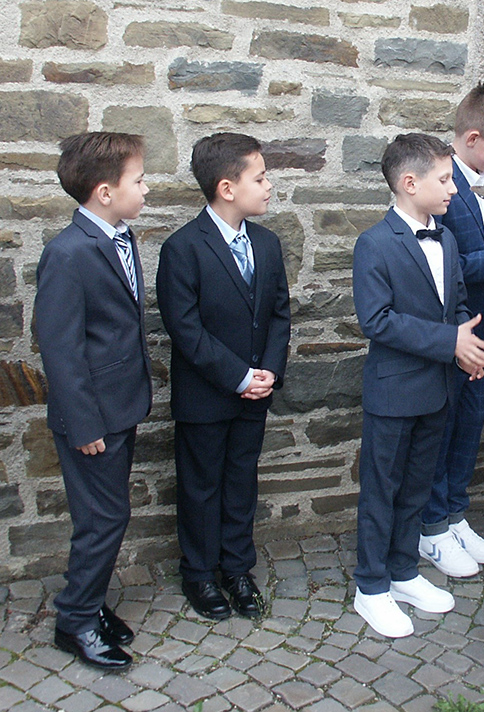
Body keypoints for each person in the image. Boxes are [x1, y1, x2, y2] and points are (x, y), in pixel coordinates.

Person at [351, 133, 484, 637]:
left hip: (439, 387)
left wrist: (470, 349)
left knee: (416, 487)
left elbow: (458, 304)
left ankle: (402, 571)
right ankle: (370, 587)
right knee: (381, 489)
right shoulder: (373, 243)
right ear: (410, 183)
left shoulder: (449, 238)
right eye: (444, 180)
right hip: (394, 392)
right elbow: (377, 320)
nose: (453, 189)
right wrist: (449, 342)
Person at [156, 133, 291, 621]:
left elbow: (278, 314)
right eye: (260, 178)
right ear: (227, 188)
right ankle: (198, 573)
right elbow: (185, 329)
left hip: (255, 394)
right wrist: (237, 376)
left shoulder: (268, 244)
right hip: (207, 396)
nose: (269, 186)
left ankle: (237, 568)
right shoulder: (183, 249)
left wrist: (269, 372)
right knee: (201, 486)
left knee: (241, 483)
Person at [36, 132, 153, 671]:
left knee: (109, 513)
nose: (147, 188)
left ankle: (91, 603)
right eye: (139, 180)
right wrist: (84, 424)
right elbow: (61, 350)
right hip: (91, 417)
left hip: (120, 406)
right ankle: (75, 619)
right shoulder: (67, 253)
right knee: (103, 517)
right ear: (104, 192)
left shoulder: (120, 238)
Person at [419, 83, 484, 578]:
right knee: (442, 429)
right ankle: (432, 527)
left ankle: (455, 514)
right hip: (451, 331)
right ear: (472, 137)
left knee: (470, 422)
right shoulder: (443, 185)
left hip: (483, 326)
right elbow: (438, 260)